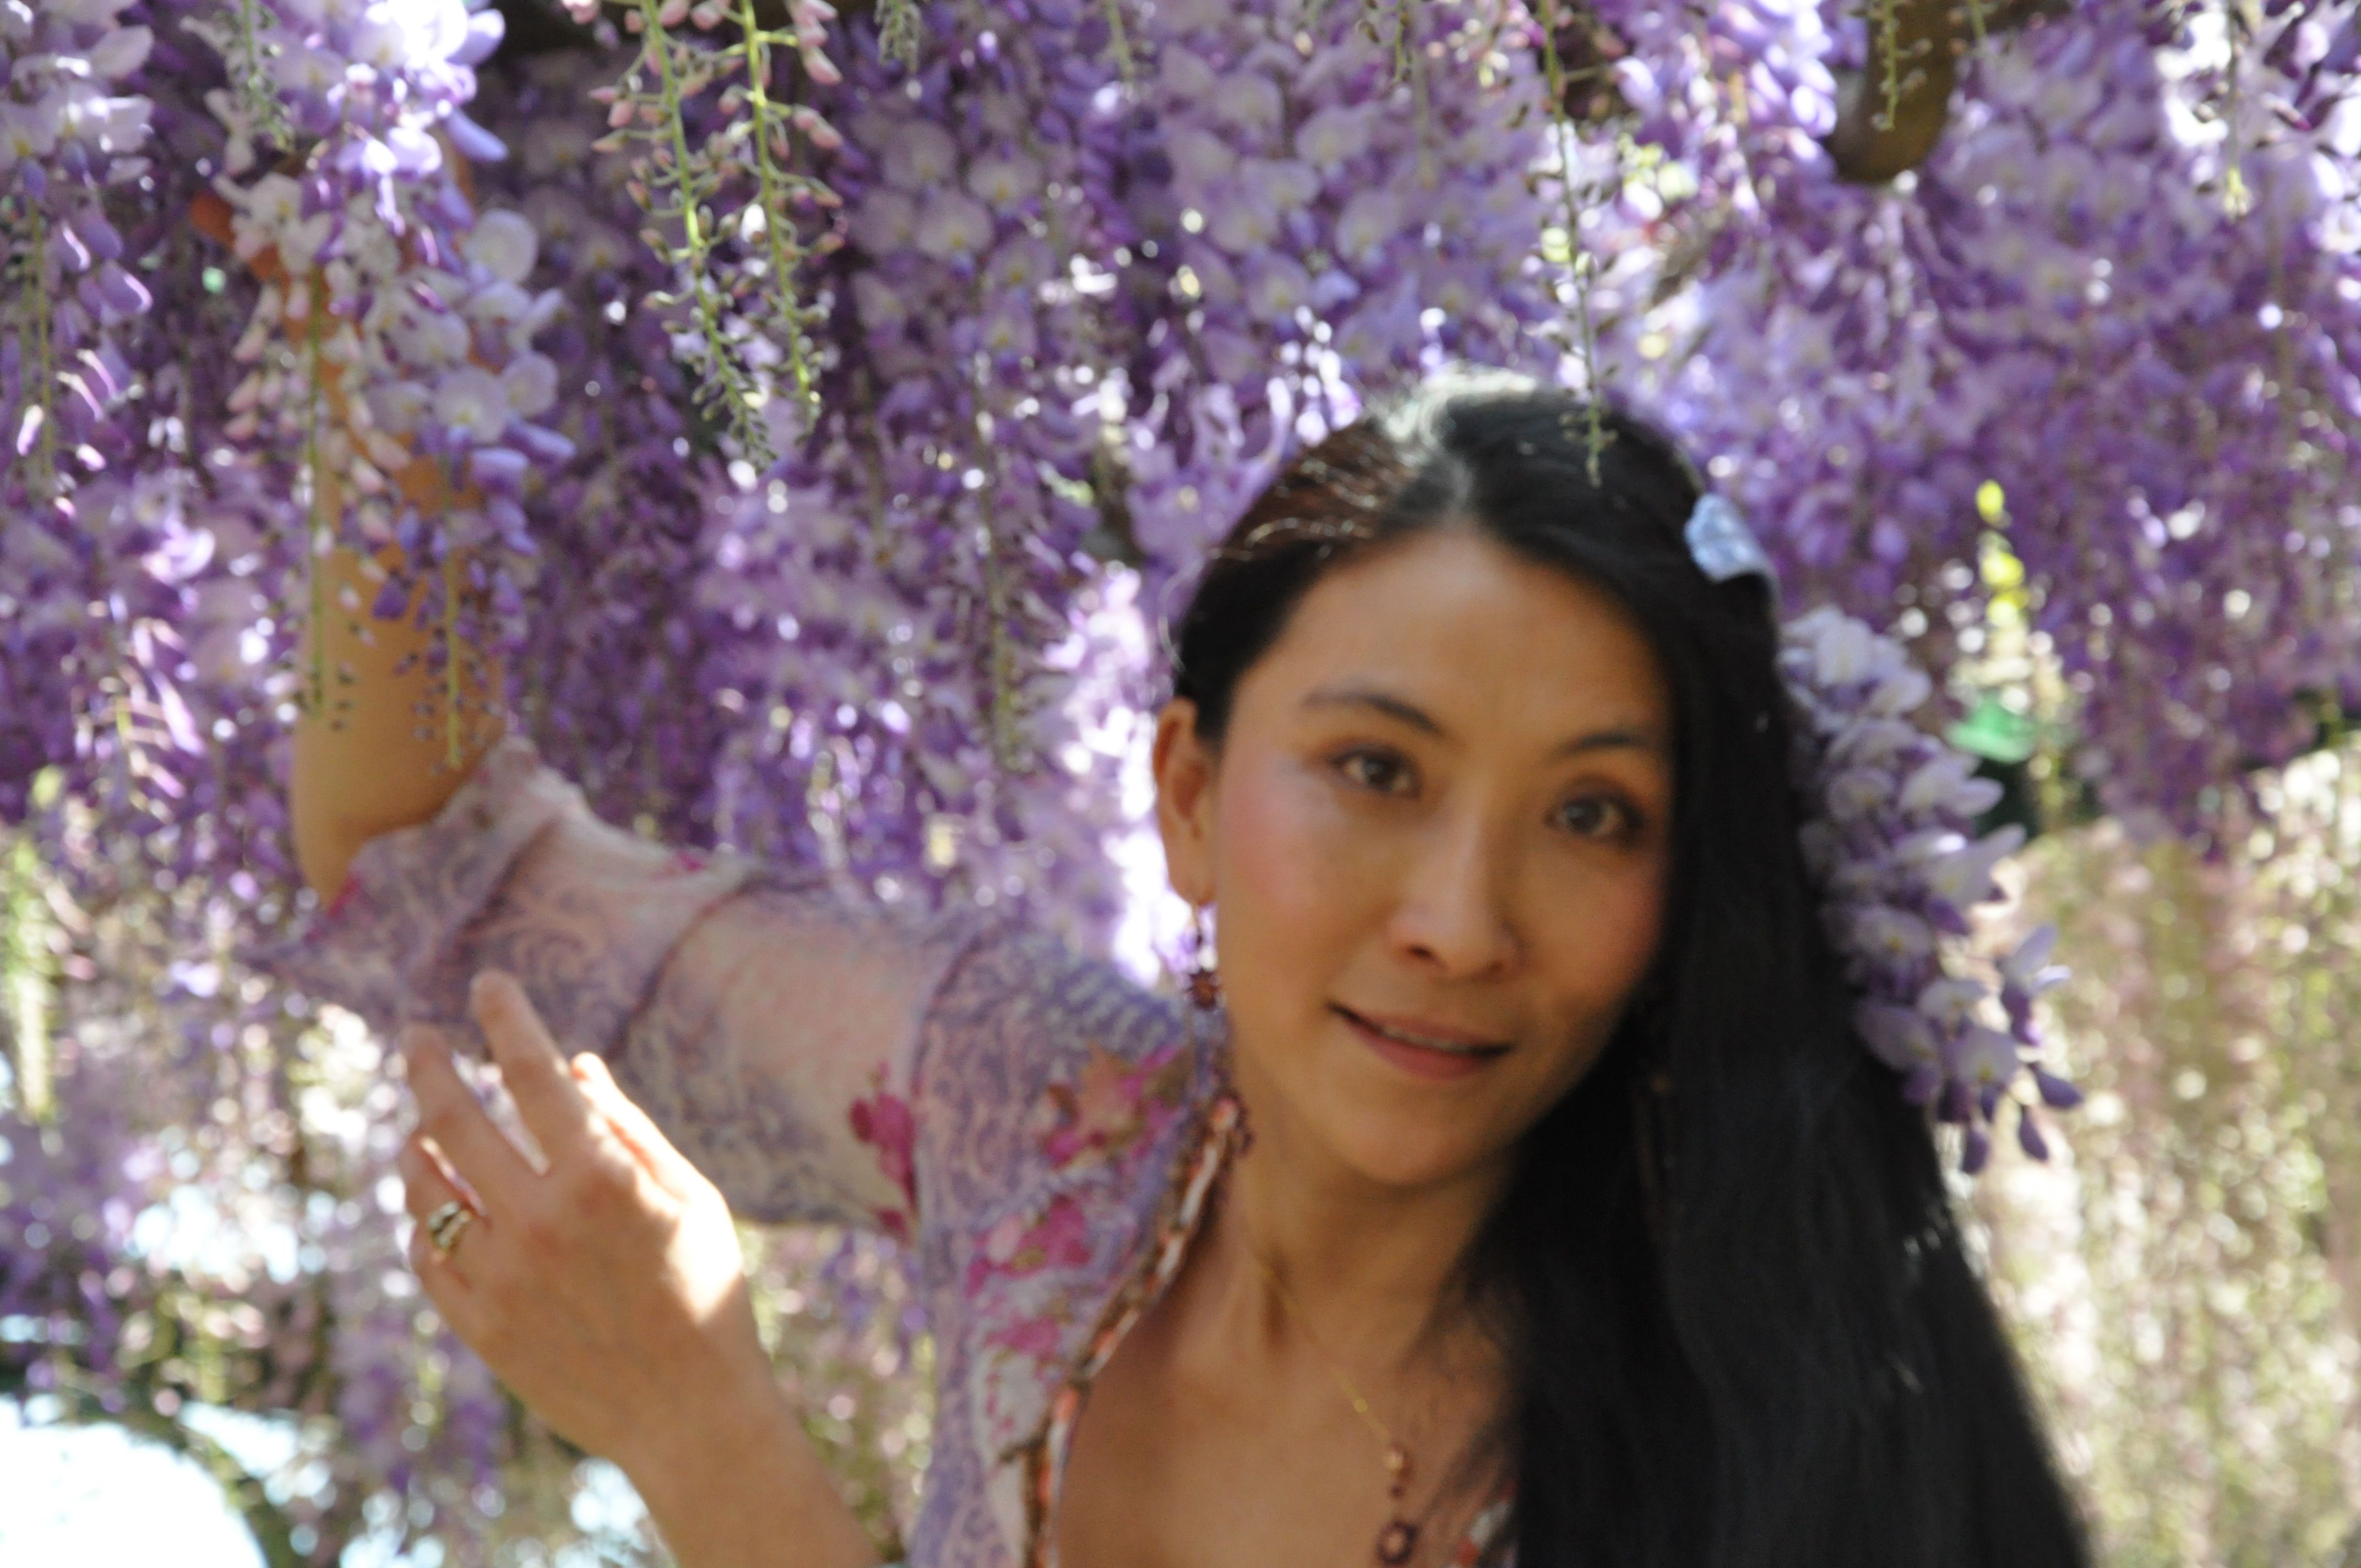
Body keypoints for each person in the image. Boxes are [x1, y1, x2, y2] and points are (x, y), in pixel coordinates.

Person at [279, 383, 2092, 1568]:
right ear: (1192, 798)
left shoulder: (1759, 1458)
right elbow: (441, 868)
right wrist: (382, 305)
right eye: (1378, 771)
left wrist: (696, 1424)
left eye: (1595, 816)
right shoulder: (1053, 1111)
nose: (1462, 922)